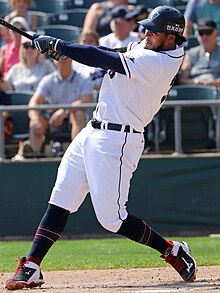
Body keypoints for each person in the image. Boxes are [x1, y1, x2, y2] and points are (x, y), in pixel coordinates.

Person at [5, 5, 197, 290]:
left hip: (118, 141)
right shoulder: (150, 48)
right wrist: (64, 51)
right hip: (93, 130)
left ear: (170, 38)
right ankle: (32, 265)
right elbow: (105, 58)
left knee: (111, 219)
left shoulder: (159, 62)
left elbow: (102, 57)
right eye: (146, 27)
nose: (146, 33)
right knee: (61, 197)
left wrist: (61, 45)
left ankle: (172, 250)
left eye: (153, 31)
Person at [14, 57, 93, 160]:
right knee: (34, 122)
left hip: (72, 120)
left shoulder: (83, 79)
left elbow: (86, 100)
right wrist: (35, 119)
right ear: (54, 61)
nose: (62, 59)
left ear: (71, 59)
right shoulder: (48, 80)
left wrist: (65, 111)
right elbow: (34, 102)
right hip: (52, 120)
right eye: (58, 57)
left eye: (65, 57)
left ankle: (77, 156)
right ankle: (35, 156)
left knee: (78, 114)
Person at [178, 19, 220, 86]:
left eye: (208, 32)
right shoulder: (191, 54)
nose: (204, 36)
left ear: (216, 33)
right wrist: (195, 82)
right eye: (201, 33)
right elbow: (182, 79)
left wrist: (217, 82)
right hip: (196, 91)